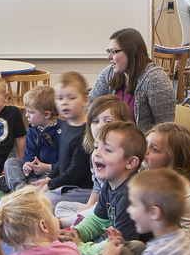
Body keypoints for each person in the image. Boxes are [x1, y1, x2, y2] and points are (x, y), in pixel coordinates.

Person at [70, 120, 149, 255]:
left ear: (131, 162)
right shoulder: (109, 183)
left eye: (107, 150)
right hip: (117, 244)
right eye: (96, 147)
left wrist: (80, 246)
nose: (97, 153)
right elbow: (98, 219)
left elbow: (119, 246)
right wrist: (77, 232)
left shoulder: (130, 196)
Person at [51, 94, 133, 227]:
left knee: (55, 203)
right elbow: (97, 185)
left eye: (108, 121)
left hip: (112, 207)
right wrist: (89, 205)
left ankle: (74, 225)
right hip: (101, 204)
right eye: (95, 121)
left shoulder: (122, 155)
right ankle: (78, 224)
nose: (100, 126)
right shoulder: (95, 153)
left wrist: (91, 209)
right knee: (61, 207)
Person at [88, 27, 176, 133]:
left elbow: (165, 129)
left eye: (113, 52)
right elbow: (90, 104)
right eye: (108, 51)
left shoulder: (155, 80)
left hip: (143, 146)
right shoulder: (110, 73)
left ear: (131, 52)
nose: (109, 57)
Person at [144, 122, 190, 255]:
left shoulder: (178, 191)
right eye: (146, 144)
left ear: (172, 159)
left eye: (154, 149)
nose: (145, 151)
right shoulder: (150, 173)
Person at [0, 85, 58, 193]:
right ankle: (22, 192)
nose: (26, 115)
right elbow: (29, 153)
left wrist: (47, 167)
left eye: (31, 112)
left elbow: (65, 164)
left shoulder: (61, 131)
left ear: (46, 114)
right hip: (34, 172)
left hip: (50, 174)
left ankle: (18, 187)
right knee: (11, 163)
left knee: (53, 186)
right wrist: (27, 164)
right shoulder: (32, 129)